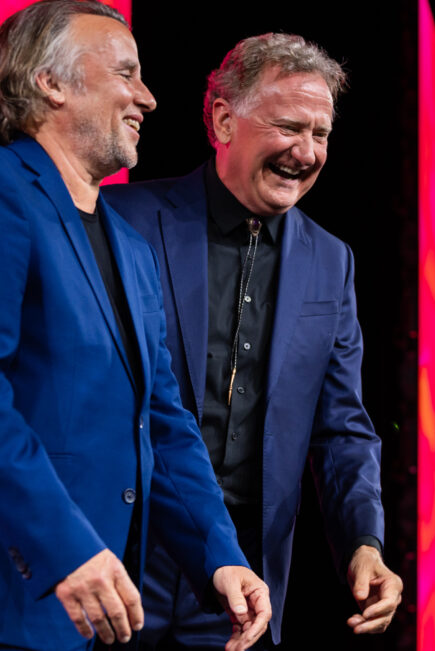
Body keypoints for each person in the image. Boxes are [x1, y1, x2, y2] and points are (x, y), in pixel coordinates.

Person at [104, 32, 401, 649]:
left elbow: (342, 426)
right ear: (222, 120)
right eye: (290, 127)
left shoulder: (332, 262)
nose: (307, 152)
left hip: (242, 586)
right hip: (121, 554)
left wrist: (364, 542)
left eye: (321, 135)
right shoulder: (125, 221)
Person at [0, 0, 270, 651]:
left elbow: (164, 421)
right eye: (126, 72)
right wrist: (63, 546)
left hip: (101, 622)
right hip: (20, 601)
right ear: (51, 82)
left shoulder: (131, 245)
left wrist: (219, 553)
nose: (147, 98)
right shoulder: (6, 194)